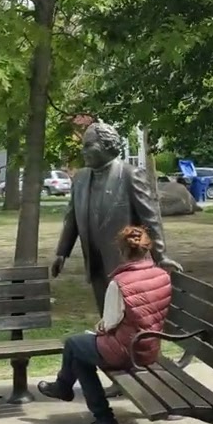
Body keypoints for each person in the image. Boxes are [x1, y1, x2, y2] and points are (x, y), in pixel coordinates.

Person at [37, 225, 172, 424]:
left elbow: (109, 323)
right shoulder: (162, 275)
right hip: (148, 349)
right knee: (80, 358)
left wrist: (99, 328)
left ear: (121, 252)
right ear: (148, 249)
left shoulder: (119, 283)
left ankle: (70, 392)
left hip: (125, 352)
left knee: (73, 344)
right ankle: (99, 418)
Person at [52, 122, 181, 317]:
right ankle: (107, 346)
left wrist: (160, 256)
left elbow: (150, 218)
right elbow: (72, 218)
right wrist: (62, 252)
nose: (83, 151)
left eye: (89, 145)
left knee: (131, 320)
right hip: (95, 263)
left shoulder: (130, 175)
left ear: (107, 146)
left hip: (126, 264)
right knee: (107, 318)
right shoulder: (80, 179)